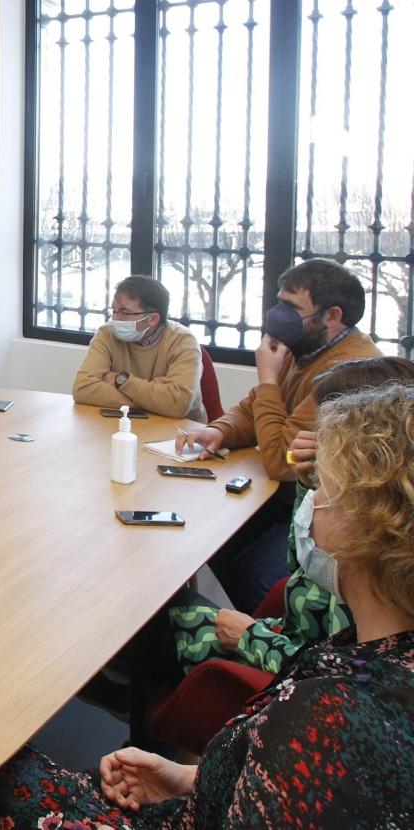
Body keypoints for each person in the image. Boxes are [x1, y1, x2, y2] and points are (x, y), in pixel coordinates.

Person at [0, 383, 414, 828]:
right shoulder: (367, 653)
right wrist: (193, 778)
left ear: (366, 524)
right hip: (188, 795)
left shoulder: (330, 725)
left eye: (322, 485)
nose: (309, 498)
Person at [169, 356, 414, 677]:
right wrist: (309, 481)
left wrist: (250, 637)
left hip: (279, 661)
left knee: (158, 615)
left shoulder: (371, 572)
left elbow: (332, 672)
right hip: (287, 636)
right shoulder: (353, 518)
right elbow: (300, 566)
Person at [177, 258, 381, 612]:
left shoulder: (349, 372)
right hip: (286, 498)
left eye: (291, 307)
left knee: (253, 575)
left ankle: (272, 644)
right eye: (278, 302)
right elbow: (254, 407)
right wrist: (219, 430)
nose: (277, 315)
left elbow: (280, 460)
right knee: (204, 537)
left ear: (332, 316)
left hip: (327, 510)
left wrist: (268, 378)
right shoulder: (303, 346)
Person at [72, 275, 206, 420]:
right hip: (121, 425)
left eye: (124, 312)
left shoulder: (183, 341)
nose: (115, 319)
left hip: (181, 434)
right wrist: (156, 400)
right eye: (114, 310)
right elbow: (82, 389)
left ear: (152, 319)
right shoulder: (107, 333)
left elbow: (178, 404)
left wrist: (120, 380)